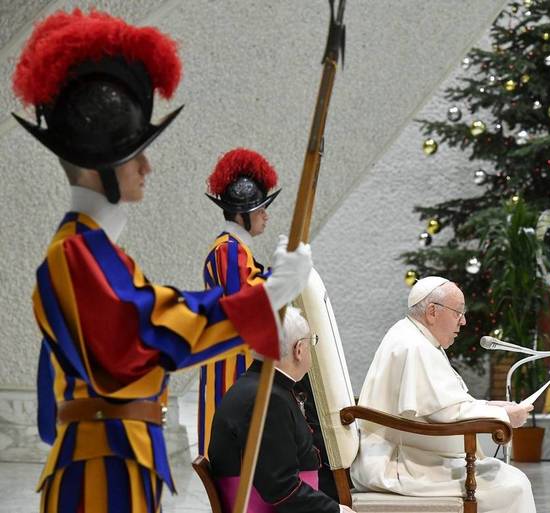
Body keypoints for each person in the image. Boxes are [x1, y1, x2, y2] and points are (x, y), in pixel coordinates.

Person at [11, 10, 311, 512]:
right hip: (100, 474)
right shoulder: (74, 255)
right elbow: (146, 329)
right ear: (100, 166)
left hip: (119, 462)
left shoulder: (93, 255)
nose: (147, 166)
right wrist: (273, 293)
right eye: (135, 153)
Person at [350, 277, 536, 513]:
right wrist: (503, 416)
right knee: (513, 486)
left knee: (507, 477)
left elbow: (443, 404)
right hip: (400, 464)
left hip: (413, 455)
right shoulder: (414, 346)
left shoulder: (413, 337)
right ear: (431, 312)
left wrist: (489, 404)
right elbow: (446, 413)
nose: (464, 320)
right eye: (458, 312)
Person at [208, 307, 354, 513]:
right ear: (299, 349)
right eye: (311, 342)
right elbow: (282, 488)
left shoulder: (264, 388)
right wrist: (335, 511)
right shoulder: (267, 400)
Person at [198, 147, 281, 458]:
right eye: (260, 210)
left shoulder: (234, 249)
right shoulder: (229, 250)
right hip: (233, 366)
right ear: (241, 214)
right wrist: (283, 277)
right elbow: (246, 301)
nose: (265, 216)